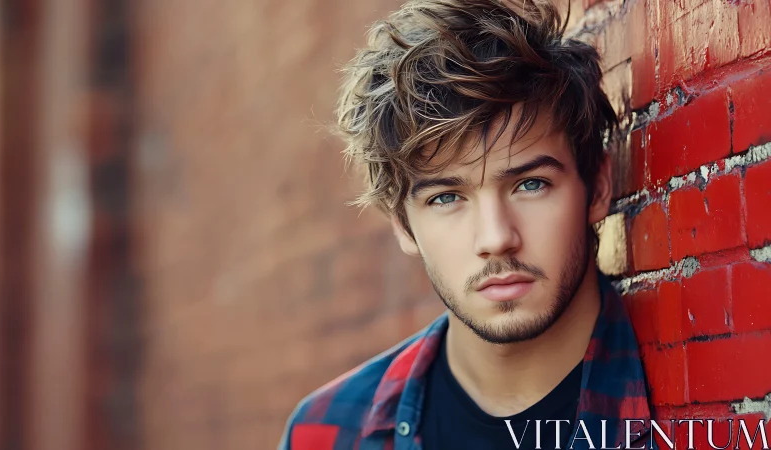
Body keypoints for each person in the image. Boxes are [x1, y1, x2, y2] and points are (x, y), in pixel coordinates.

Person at [279, 1, 653, 448]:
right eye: (447, 198)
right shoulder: (328, 431)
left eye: (530, 185)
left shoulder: (709, 401)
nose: (496, 238)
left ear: (596, 189)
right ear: (402, 224)